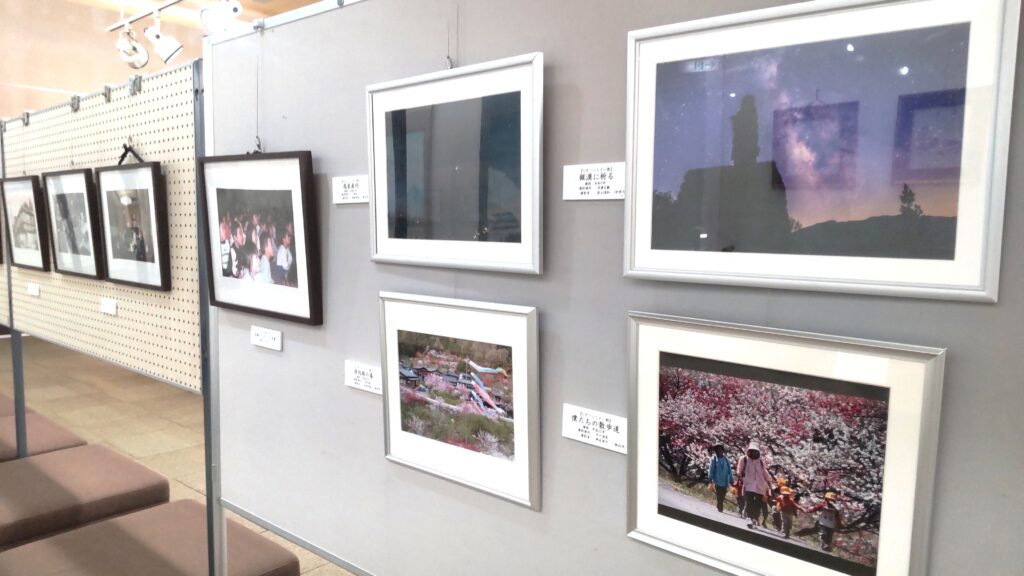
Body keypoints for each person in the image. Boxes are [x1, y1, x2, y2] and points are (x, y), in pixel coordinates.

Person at [736, 440, 774, 530]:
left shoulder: (760, 462)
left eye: (756, 451)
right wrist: (740, 474)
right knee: (749, 502)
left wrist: (769, 483)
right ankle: (749, 518)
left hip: (760, 486)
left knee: (757, 504)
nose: (754, 453)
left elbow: (765, 472)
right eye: (752, 451)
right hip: (749, 485)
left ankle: (754, 518)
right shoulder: (744, 459)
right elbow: (739, 469)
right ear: (749, 451)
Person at [706, 443, 734, 513]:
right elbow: (711, 469)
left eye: (720, 449)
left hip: (725, 480)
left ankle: (720, 503)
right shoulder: (714, 458)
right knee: (719, 494)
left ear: (722, 450)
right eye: (717, 449)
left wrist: (731, 478)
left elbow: (729, 469)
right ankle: (720, 505)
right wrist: (710, 477)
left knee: (723, 494)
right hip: (717, 479)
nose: (719, 451)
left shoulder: (726, 459)